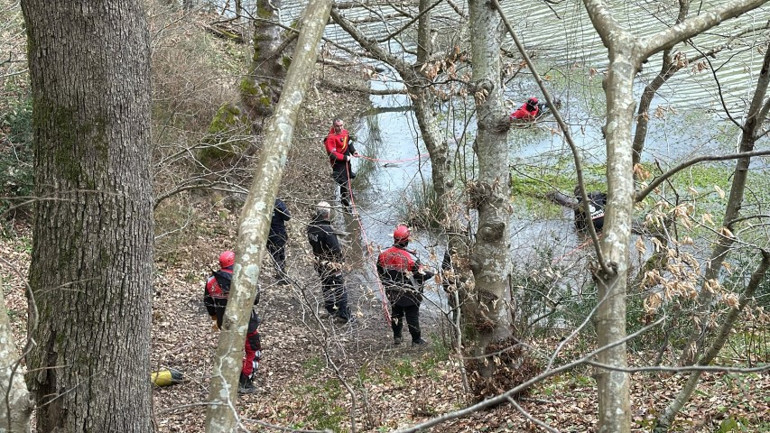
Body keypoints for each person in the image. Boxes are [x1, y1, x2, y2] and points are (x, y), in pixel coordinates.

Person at [203, 250, 262, 394]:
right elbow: (255, 299)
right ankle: (246, 382)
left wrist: (215, 318)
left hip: (225, 322)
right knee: (253, 350)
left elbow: (208, 302)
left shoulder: (211, 280)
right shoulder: (242, 277)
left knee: (231, 350)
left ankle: (228, 379)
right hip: (246, 321)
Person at [377, 225, 435, 346]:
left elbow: (380, 273)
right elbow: (421, 275)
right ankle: (416, 340)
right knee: (412, 316)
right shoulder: (410, 258)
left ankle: (397, 337)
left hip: (392, 292)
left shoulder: (382, 255)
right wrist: (433, 273)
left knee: (396, 314)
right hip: (410, 294)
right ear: (407, 240)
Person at [306, 201, 352, 323]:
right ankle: (343, 315)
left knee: (326, 285)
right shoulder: (327, 230)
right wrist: (340, 263)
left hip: (319, 262)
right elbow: (336, 250)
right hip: (331, 264)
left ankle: (331, 309)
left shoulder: (311, 227)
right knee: (339, 288)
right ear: (327, 214)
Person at [324, 118, 359, 210]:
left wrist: (353, 151)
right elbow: (332, 154)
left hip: (346, 159)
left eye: (341, 126)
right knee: (343, 182)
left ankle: (349, 193)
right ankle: (345, 202)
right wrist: (344, 158)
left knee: (348, 177)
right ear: (333, 126)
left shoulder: (345, 132)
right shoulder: (330, 138)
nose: (340, 128)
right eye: (337, 126)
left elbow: (349, 143)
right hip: (338, 163)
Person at [267, 198, 291, 285]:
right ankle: (281, 277)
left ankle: (281, 274)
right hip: (278, 234)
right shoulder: (278, 203)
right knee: (279, 255)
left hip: (268, 235)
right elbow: (287, 217)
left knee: (276, 255)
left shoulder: (262, 202)